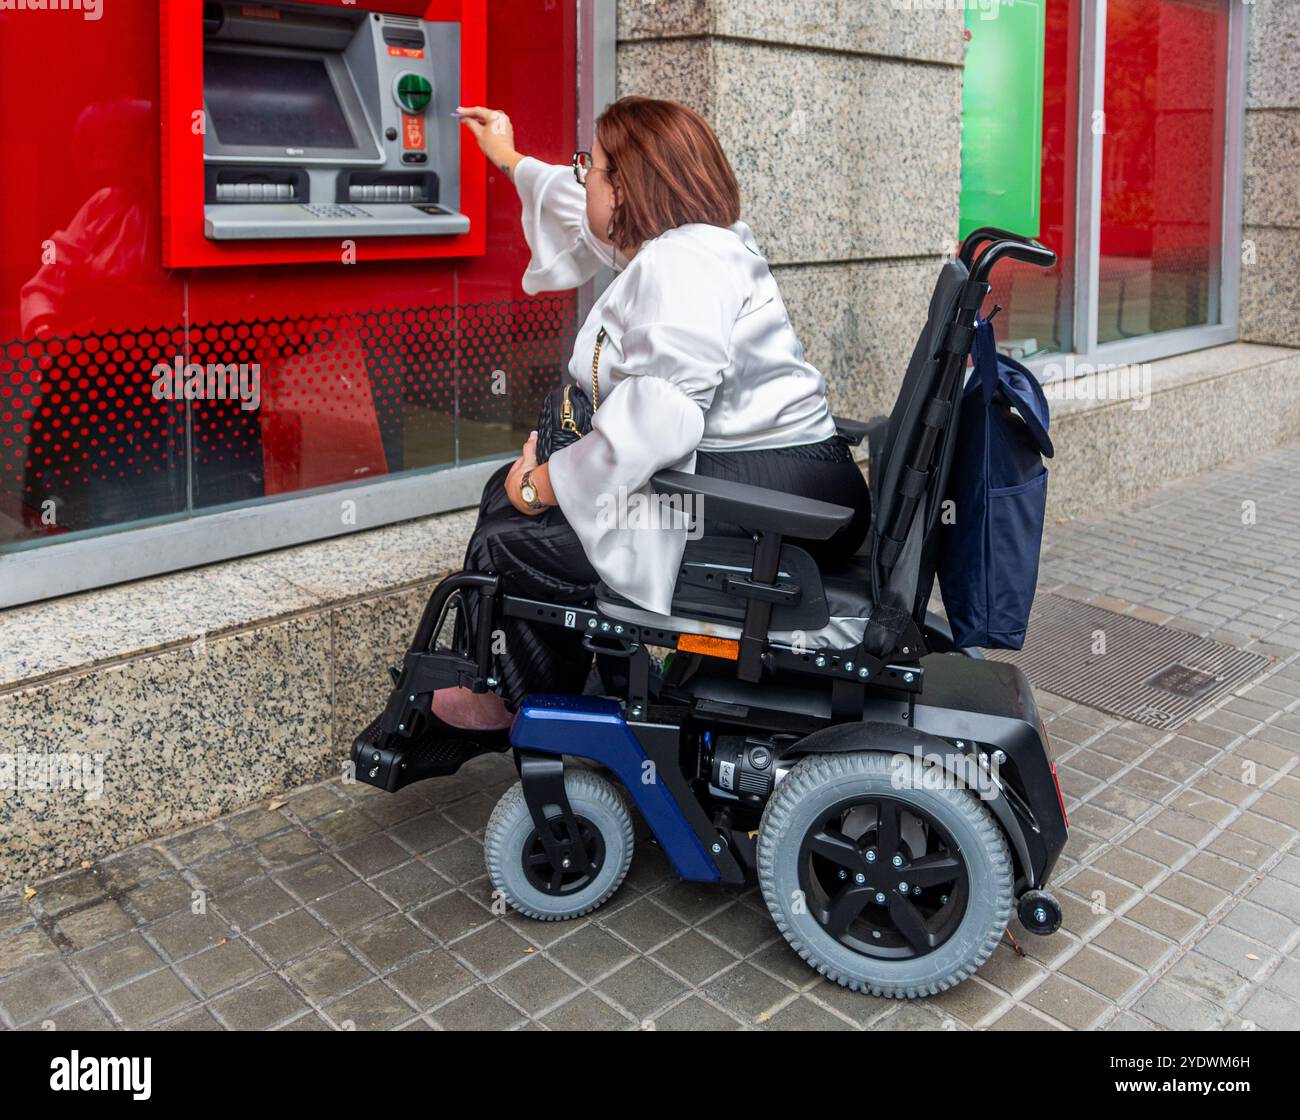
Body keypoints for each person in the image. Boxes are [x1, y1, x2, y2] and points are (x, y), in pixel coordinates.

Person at [428, 96, 870, 740]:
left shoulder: (680, 265)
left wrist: (540, 485)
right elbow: (582, 217)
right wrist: (510, 157)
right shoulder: (696, 246)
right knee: (517, 498)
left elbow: (661, 418)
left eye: (594, 168)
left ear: (627, 188)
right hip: (801, 482)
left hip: (777, 500)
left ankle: (528, 704)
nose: (582, 180)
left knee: (514, 530)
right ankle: (542, 688)